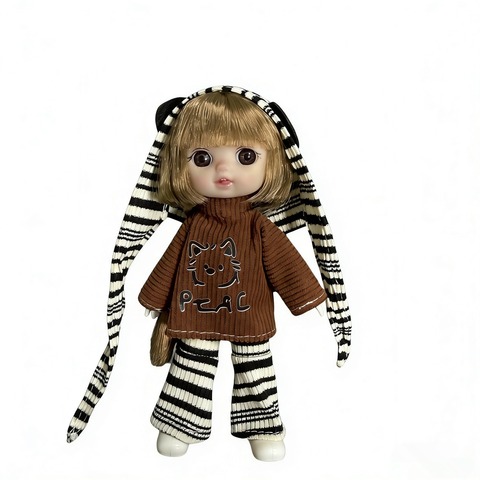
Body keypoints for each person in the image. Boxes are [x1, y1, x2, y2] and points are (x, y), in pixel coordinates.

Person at [66, 86, 351, 463]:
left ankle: (263, 428)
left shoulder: (259, 226)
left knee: (256, 371)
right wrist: (155, 299)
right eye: (202, 157)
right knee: (189, 368)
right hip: (195, 311)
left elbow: (285, 262)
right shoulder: (193, 224)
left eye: (246, 156)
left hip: (249, 314)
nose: (224, 169)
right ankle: (179, 424)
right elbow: (171, 262)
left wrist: (309, 297)